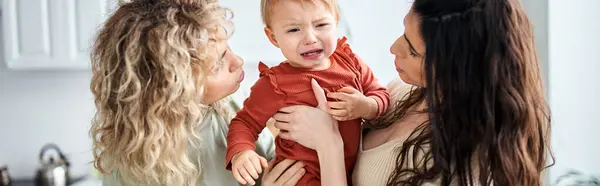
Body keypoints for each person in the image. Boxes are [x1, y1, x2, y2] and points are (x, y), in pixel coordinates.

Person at [266, 0, 553, 185]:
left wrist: (328, 145)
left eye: (412, 50)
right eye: (403, 32)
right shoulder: (397, 94)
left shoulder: (469, 163)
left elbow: (331, 145)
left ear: (457, 70)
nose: (394, 48)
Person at [88, 0, 277, 185]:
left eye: (227, 49)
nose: (238, 61)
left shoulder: (231, 103)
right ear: (174, 88)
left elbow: (273, 159)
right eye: (218, 64)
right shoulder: (137, 161)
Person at [224, 0, 391, 185]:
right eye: (294, 30)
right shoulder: (274, 84)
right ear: (273, 37)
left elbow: (382, 95)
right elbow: (245, 123)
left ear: (335, 21)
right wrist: (242, 152)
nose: (310, 38)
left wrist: (366, 106)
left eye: (321, 25)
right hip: (301, 176)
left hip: (349, 173)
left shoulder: (350, 62)